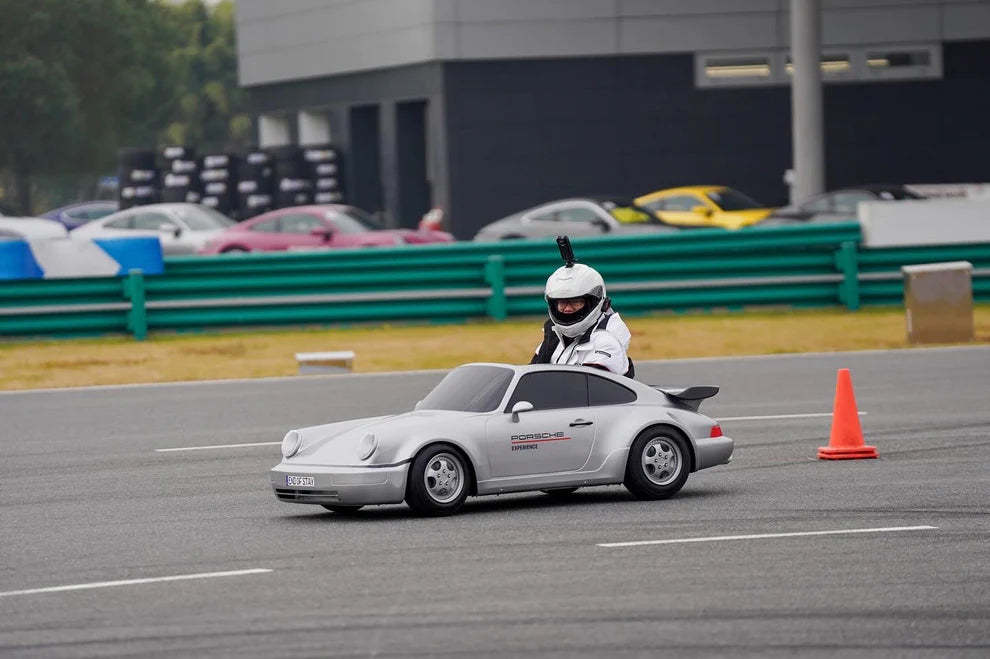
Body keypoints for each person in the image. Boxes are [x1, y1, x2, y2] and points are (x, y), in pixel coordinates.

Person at [530, 237, 634, 377]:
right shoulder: (554, 338)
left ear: (595, 302)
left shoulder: (605, 344)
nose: (567, 309)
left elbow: (581, 393)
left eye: (575, 302)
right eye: (562, 303)